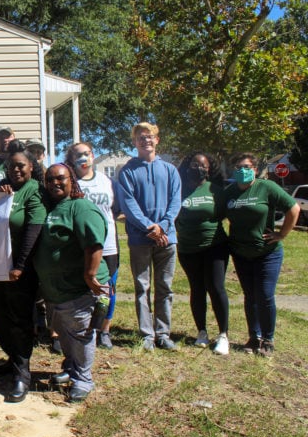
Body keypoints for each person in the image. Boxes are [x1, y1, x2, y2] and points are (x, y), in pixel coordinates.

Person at [34, 164, 110, 403]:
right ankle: (71, 368)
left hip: (80, 288)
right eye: (49, 180)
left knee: (80, 334)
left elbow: (94, 243)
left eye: (60, 178)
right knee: (65, 334)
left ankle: (83, 379)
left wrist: (90, 274)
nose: (54, 183)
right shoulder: (50, 208)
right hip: (55, 290)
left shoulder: (81, 207)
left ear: (72, 180)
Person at [223, 152, 299, 357]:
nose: (242, 171)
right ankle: (254, 337)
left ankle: (268, 339)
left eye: (247, 167)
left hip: (267, 254)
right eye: (238, 167)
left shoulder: (267, 187)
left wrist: (282, 234)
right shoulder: (230, 192)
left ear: (255, 170)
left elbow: (294, 208)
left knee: (264, 295)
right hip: (241, 254)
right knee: (250, 296)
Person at [118, 122, 181, 351]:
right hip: (140, 239)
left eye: (150, 136)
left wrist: (162, 227)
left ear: (157, 140)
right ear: (135, 142)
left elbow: (175, 201)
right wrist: (149, 228)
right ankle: (147, 335)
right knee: (142, 287)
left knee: (165, 287)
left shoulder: (170, 170)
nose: (146, 140)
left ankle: (163, 333)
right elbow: (129, 204)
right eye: (141, 137)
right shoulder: (127, 171)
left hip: (167, 239)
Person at [0, 150, 45, 402]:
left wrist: (20, 266)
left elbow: (34, 229)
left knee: (20, 320)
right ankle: (12, 358)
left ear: (31, 166)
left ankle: (23, 373)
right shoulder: (2, 188)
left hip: (21, 270)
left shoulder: (35, 190)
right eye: (12, 166)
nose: (17, 170)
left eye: (21, 165)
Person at [66, 142, 119, 350]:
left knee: (107, 289)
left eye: (87, 153)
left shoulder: (106, 180)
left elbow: (115, 209)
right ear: (71, 160)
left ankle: (104, 330)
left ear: (93, 155)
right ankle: (85, 329)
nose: (83, 158)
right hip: (81, 245)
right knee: (85, 288)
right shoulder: (71, 183)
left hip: (108, 244)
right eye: (78, 155)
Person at [176, 152, 230, 354]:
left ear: (209, 169)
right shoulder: (179, 190)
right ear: (187, 167)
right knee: (197, 289)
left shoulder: (216, 191)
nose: (199, 168)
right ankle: (202, 332)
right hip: (187, 249)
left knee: (216, 288)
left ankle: (223, 335)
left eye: (203, 166)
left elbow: (225, 214)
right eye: (195, 164)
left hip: (214, 246)